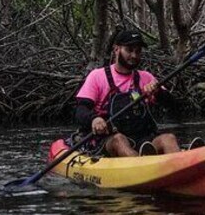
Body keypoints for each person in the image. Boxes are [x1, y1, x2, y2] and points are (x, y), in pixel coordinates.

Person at [74, 29, 181, 157]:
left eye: (138, 51)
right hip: (109, 140)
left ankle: (182, 168)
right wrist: (94, 119)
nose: (134, 55)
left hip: (142, 138)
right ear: (116, 49)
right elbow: (81, 109)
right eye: (129, 50)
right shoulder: (97, 76)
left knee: (168, 138)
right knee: (119, 140)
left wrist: (158, 93)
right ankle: (140, 167)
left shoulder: (146, 77)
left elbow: (175, 106)